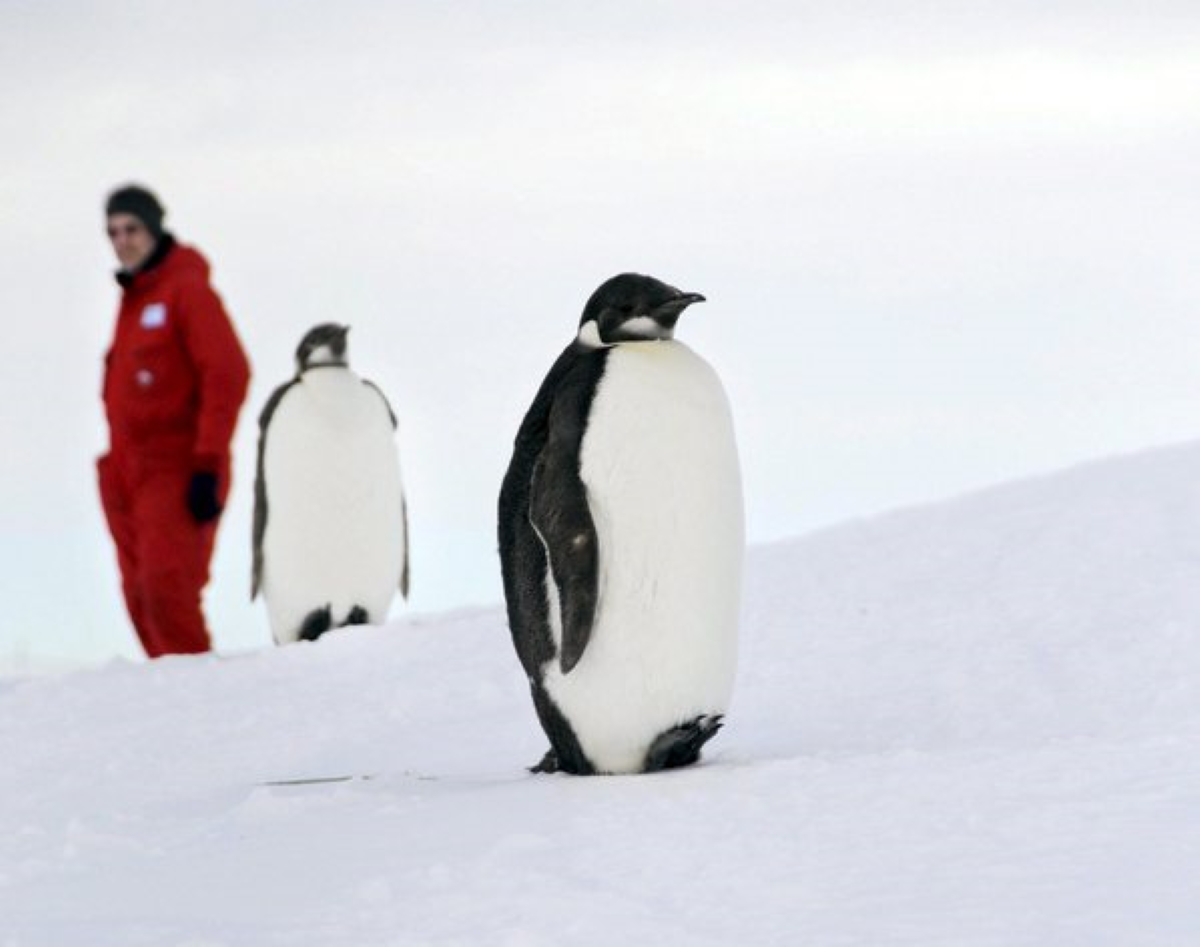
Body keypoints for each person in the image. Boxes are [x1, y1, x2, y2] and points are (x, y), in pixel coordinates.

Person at [97, 184, 251, 657]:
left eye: (132, 228)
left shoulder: (186, 291)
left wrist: (207, 463)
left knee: (168, 592)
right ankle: (168, 709)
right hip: (127, 471)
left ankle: (200, 707)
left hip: (177, 467)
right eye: (114, 231)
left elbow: (228, 371)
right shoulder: (136, 301)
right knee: (141, 599)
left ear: (155, 228)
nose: (122, 240)